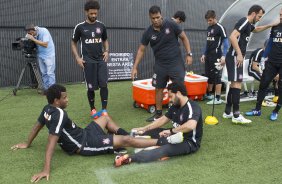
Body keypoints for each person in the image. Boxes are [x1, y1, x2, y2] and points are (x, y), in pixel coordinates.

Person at [11, 84, 183, 183]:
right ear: (57, 101)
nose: (67, 99)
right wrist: (45, 169)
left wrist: (27, 143)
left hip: (84, 132)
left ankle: (124, 138)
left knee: (104, 117)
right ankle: (160, 142)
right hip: (84, 145)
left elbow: (36, 127)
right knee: (125, 140)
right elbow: (51, 142)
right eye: (65, 97)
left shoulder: (47, 108)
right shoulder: (59, 114)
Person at [114, 81, 203, 167]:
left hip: (189, 142)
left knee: (164, 149)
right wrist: (144, 128)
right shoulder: (175, 106)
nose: (170, 99)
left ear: (178, 93)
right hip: (175, 135)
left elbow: (191, 125)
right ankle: (122, 141)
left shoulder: (193, 107)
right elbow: (163, 119)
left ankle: (128, 158)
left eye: (171, 96)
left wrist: (171, 131)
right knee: (150, 132)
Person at [131, 5, 193, 122]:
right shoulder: (148, 32)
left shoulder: (172, 24)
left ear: (161, 15)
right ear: (150, 18)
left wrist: (189, 54)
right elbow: (141, 49)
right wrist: (135, 67)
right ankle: (158, 114)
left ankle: (182, 113)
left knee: (179, 87)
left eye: (157, 17)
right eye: (153, 18)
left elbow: (184, 38)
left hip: (176, 63)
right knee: (158, 88)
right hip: (160, 65)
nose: (155, 20)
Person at [222, 4, 276, 124]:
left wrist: (271, 25)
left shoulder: (249, 25)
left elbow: (256, 29)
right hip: (235, 57)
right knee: (237, 84)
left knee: (234, 84)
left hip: (236, 57)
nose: (259, 19)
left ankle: (227, 112)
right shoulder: (244, 21)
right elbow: (232, 37)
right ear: (253, 13)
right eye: (259, 16)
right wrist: (239, 54)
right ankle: (236, 115)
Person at [71, 0, 109, 118]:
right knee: (91, 87)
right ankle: (93, 109)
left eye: (95, 13)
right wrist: (77, 58)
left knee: (104, 84)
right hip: (88, 61)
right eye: (91, 13)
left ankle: (104, 110)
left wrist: (107, 51)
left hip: (100, 60)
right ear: (86, 12)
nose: (93, 15)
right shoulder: (80, 27)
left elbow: (105, 40)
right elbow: (73, 43)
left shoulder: (101, 26)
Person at [245, 8, 282, 121]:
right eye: (280, 14)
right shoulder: (276, 26)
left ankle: (275, 111)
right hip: (271, 62)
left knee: (281, 88)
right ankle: (257, 109)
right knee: (263, 84)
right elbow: (270, 42)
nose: (281, 16)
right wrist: (264, 58)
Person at [200, 10, 229, 105]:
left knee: (217, 77)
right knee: (209, 76)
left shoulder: (220, 27)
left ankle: (218, 98)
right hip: (208, 56)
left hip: (217, 56)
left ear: (215, 17)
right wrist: (204, 54)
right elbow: (207, 43)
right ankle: (208, 94)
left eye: (210, 20)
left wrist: (224, 56)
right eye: (207, 20)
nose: (209, 22)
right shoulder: (209, 28)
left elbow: (225, 43)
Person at [25, 24, 56, 93]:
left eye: (32, 33)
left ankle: (52, 90)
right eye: (29, 33)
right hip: (40, 54)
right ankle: (46, 89)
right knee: (44, 73)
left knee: (50, 73)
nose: (31, 34)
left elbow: (45, 44)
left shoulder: (44, 31)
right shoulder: (30, 34)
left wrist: (33, 39)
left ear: (34, 30)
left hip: (49, 54)